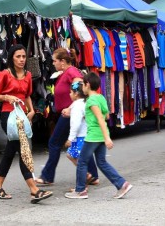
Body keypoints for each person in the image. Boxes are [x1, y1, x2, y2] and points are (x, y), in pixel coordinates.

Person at [0, 44, 52, 203]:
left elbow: (27, 95)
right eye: (18, 56)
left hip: (22, 116)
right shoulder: (5, 74)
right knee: (22, 148)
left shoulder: (28, 75)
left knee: (11, 151)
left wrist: (31, 111)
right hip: (8, 116)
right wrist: (6, 97)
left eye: (24, 56)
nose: (22, 59)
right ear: (11, 58)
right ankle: (34, 189)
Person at [35, 48, 99, 186]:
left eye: (54, 61)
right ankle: (92, 175)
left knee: (54, 143)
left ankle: (47, 176)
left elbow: (81, 90)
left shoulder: (71, 72)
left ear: (62, 61)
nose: (53, 64)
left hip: (70, 114)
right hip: (68, 113)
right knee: (82, 142)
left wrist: (70, 108)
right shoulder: (66, 73)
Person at [65, 72, 133, 199]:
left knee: (82, 162)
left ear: (88, 85)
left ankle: (80, 190)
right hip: (101, 134)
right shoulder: (100, 98)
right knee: (101, 162)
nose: (82, 88)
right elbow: (106, 116)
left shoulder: (91, 101)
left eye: (83, 85)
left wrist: (108, 138)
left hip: (93, 136)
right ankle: (122, 184)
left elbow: (100, 119)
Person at [64, 80, 87, 169]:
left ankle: (85, 175)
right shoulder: (83, 103)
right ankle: (86, 174)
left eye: (71, 92)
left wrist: (70, 138)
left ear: (76, 93)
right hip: (82, 135)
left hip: (80, 136)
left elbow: (76, 124)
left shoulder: (77, 105)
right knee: (71, 155)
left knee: (77, 157)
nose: (70, 94)